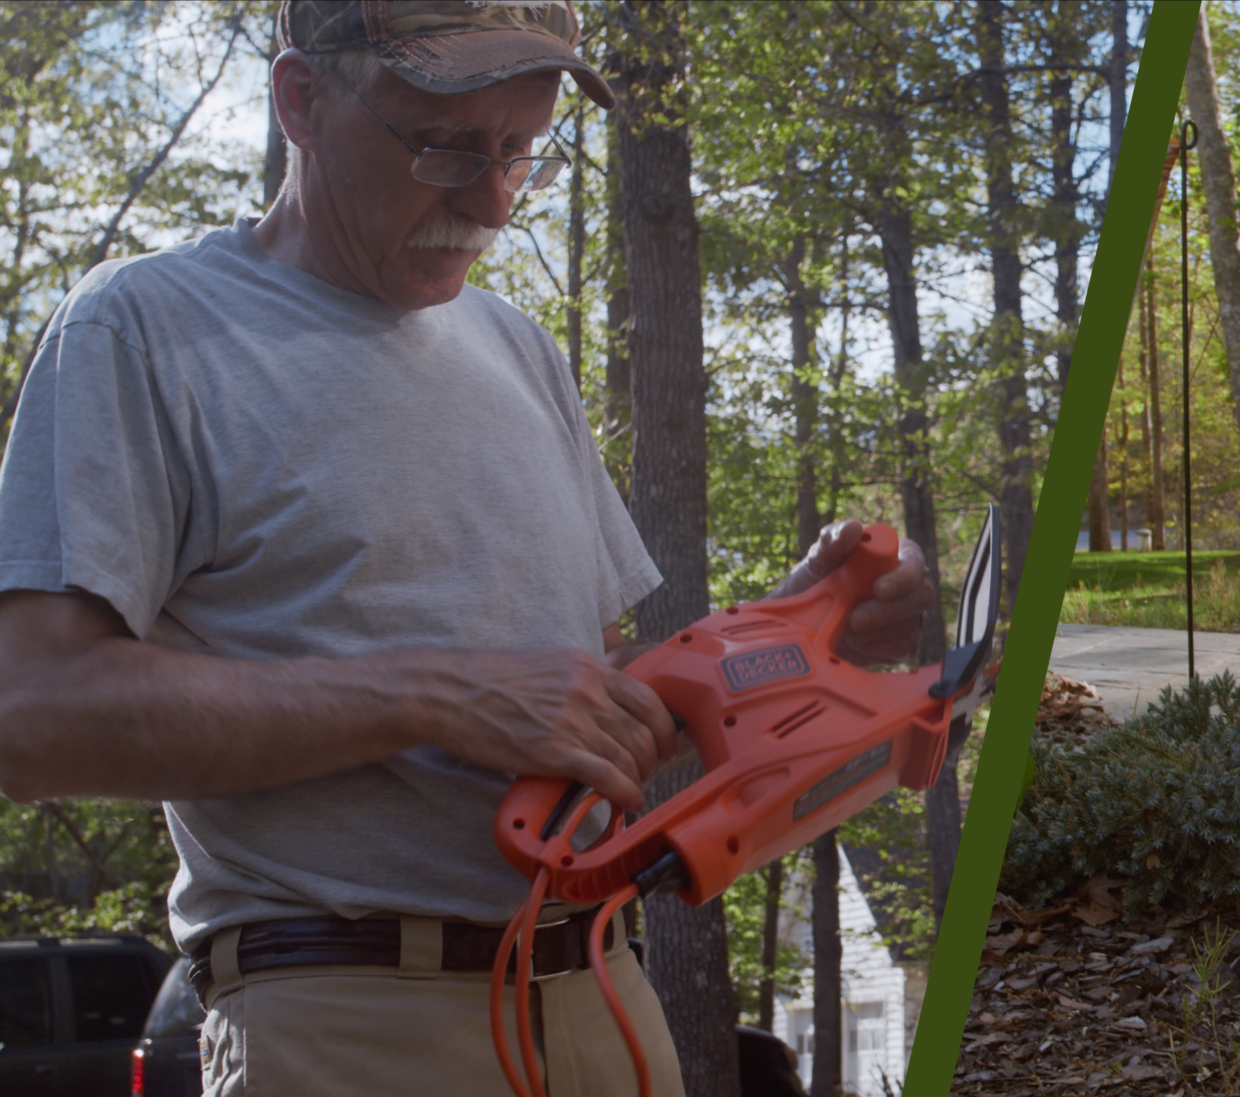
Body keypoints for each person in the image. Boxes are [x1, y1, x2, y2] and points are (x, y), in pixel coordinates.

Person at [0, 4, 932, 1095]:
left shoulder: (517, 349)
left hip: (605, 997)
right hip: (345, 1017)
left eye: (519, 150)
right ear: (299, 100)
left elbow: (593, 718)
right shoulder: (146, 327)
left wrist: (801, 626)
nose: (490, 199)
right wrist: (432, 696)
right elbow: (31, 715)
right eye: (444, 144)